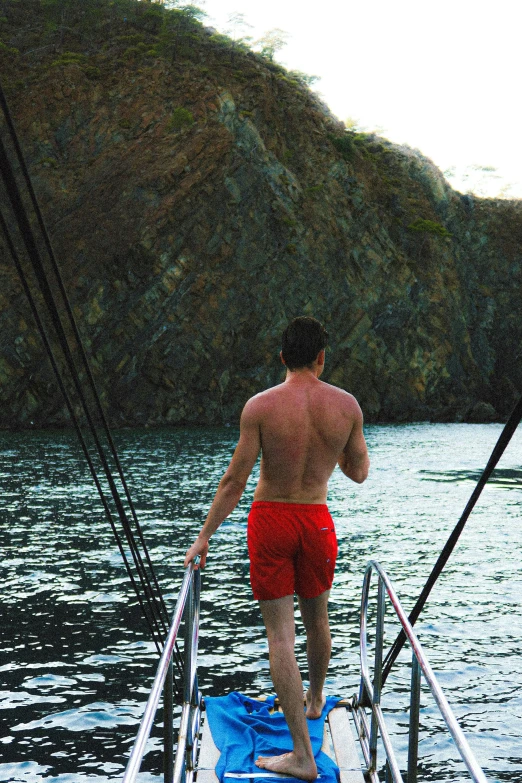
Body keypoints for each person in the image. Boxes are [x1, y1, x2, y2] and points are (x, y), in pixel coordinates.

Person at [184, 316, 370, 781]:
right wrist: (334, 449)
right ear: (323, 357)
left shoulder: (261, 407)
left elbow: (235, 480)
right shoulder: (346, 407)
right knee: (318, 619)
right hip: (316, 520)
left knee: (280, 637)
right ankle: (315, 699)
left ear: (283, 357)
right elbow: (359, 472)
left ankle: (301, 756)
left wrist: (204, 535)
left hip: (271, 519)